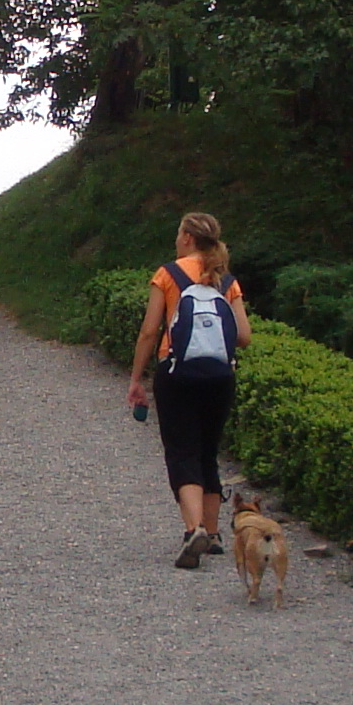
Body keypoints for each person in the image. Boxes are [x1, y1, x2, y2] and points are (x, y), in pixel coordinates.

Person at [127, 209, 249, 569]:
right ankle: (213, 534)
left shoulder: (168, 274)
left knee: (182, 451)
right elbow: (243, 336)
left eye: (179, 233)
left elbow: (149, 331)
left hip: (176, 373)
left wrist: (136, 379)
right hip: (220, 376)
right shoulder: (226, 279)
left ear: (188, 238)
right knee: (208, 451)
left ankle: (194, 529)